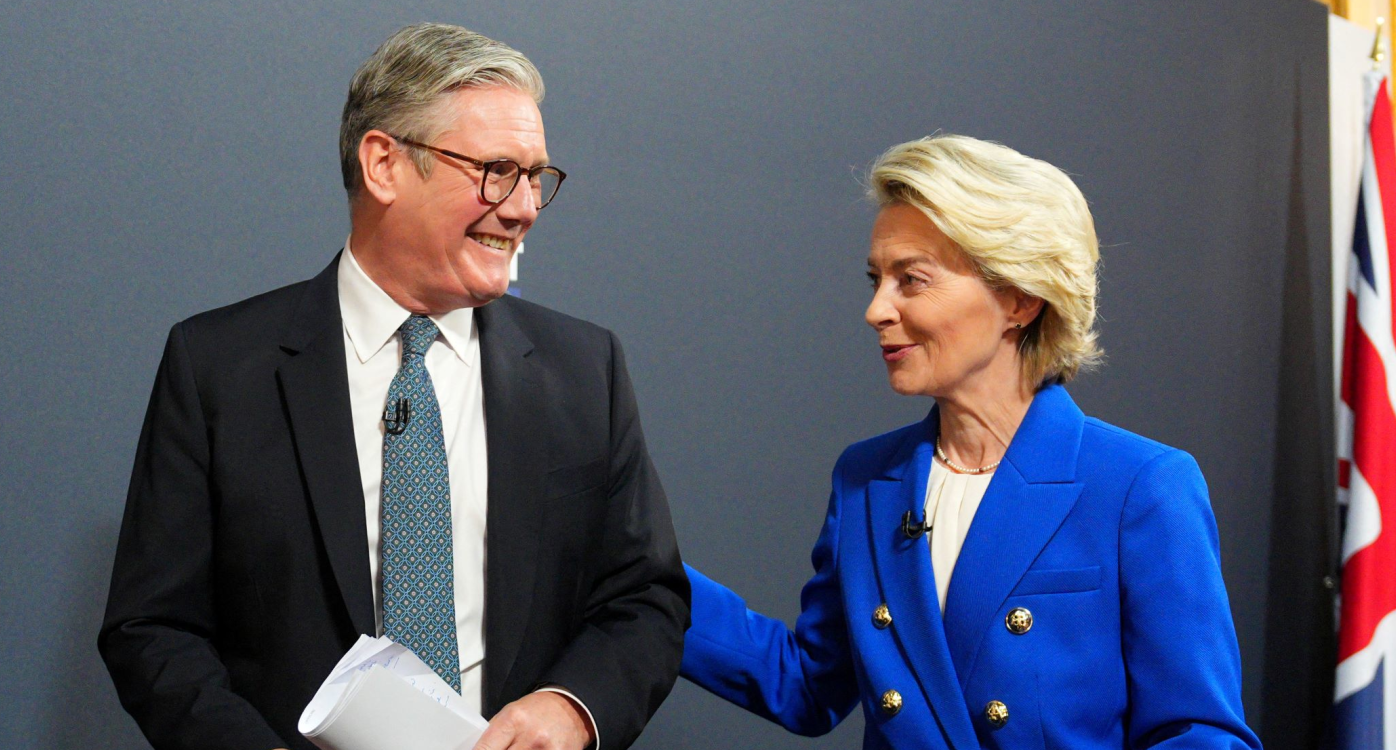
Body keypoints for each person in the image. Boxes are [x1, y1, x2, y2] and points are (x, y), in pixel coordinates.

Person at [99, 23, 688, 750]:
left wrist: (573, 708)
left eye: (537, 176)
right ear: (383, 164)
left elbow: (645, 598)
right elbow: (151, 629)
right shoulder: (217, 366)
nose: (525, 206)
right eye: (496, 170)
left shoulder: (584, 369)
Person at [679, 135, 1261, 749]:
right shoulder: (866, 481)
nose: (877, 309)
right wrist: (633, 571)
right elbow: (806, 685)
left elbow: (1200, 733)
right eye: (877, 279)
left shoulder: (1139, 485)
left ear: (1018, 298)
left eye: (912, 280)